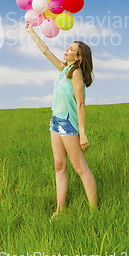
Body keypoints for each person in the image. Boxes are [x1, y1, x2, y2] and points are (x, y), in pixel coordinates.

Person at [25, 21, 97, 219]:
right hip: (55, 121)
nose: (67, 49)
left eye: (71, 49)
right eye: (68, 47)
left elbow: (81, 104)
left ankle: (94, 212)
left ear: (79, 57)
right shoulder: (64, 69)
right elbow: (46, 51)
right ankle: (60, 210)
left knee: (80, 168)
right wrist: (32, 32)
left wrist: (82, 133)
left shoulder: (76, 73)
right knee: (59, 165)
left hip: (68, 124)